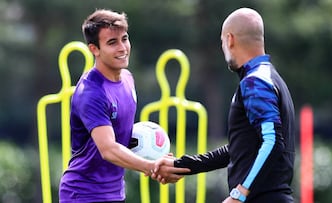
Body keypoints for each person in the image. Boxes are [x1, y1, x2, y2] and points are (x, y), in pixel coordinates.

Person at [153, 7, 295, 203]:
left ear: (230, 39)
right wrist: (182, 165)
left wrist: (240, 193)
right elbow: (242, 147)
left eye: (222, 42)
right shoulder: (267, 77)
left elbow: (272, 142)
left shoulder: (255, 83)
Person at [58, 9, 189, 203]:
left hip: (115, 192)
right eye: (112, 42)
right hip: (83, 194)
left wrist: (158, 155)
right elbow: (108, 149)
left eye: (124, 39)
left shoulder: (127, 79)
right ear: (94, 49)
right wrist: (152, 166)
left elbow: (119, 135)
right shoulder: (91, 92)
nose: (122, 48)